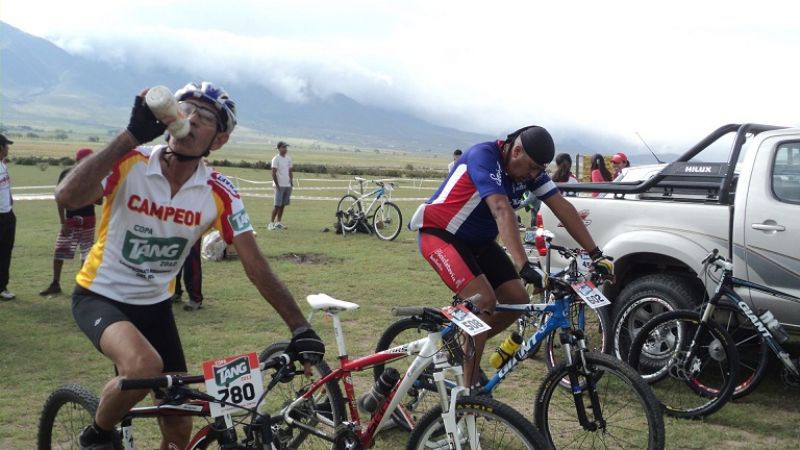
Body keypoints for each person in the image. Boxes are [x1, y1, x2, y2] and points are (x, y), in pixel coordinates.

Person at [55, 82, 325, 450]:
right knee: (143, 367)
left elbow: (255, 263)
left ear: (219, 140)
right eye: (185, 109)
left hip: (155, 309)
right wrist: (131, 136)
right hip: (100, 296)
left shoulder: (218, 191)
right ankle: (96, 435)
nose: (192, 119)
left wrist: (300, 327)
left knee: (179, 430)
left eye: (206, 117)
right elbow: (68, 196)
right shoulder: (131, 162)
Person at [409, 126, 614, 387]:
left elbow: (562, 207)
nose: (532, 175)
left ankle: (459, 349)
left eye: (537, 170)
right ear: (515, 150)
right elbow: (501, 208)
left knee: (517, 300)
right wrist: (523, 264)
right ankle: (469, 396)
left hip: (479, 244)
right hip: (440, 236)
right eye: (530, 167)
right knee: (484, 301)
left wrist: (596, 253)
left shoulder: (531, 171)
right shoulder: (483, 156)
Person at [40, 148, 97, 296]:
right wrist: (63, 221)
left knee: (86, 253)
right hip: (71, 219)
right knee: (60, 251)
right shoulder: (66, 174)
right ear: (78, 160)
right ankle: (55, 283)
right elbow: (59, 198)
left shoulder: (95, 175)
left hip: (88, 219)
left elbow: (100, 201)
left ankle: (81, 286)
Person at [0, 133, 15, 300]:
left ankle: (2, 286)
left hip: (7, 215)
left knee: (5, 252)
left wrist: (10, 204)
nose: (8, 148)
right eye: (6, 145)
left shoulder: (3, 165)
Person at [170, 239, 203, 311]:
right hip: (173, 229)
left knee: (191, 259)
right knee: (172, 255)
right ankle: (174, 291)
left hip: (192, 229)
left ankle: (195, 298)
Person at [268, 141, 293, 230]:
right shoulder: (276, 159)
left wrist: (291, 182)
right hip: (279, 185)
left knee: (283, 205)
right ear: (279, 148)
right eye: (283, 147)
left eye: (286, 147)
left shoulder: (288, 159)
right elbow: (273, 173)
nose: (285, 149)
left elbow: (290, 171)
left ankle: (278, 223)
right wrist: (277, 185)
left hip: (287, 185)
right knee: (277, 205)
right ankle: (271, 224)